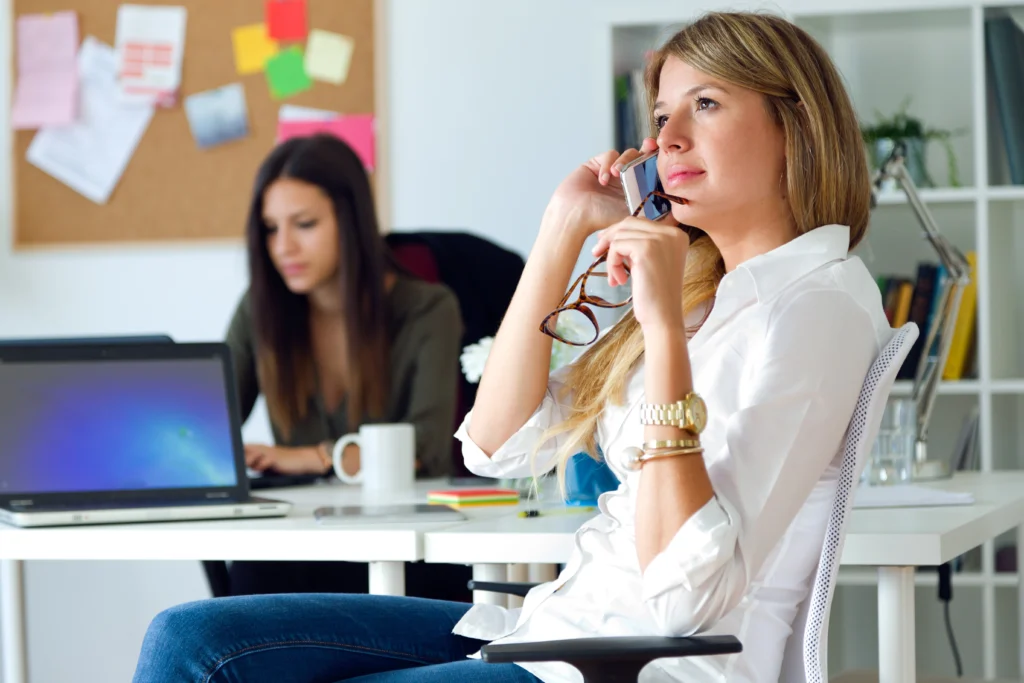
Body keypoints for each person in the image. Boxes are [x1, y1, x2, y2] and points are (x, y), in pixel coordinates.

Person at [133, 12, 892, 683]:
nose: (668, 141)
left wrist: (661, 333)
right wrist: (561, 230)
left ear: (793, 124)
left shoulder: (817, 303)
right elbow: (496, 444)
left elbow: (686, 591)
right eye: (661, 116)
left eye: (707, 104)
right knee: (193, 637)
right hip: (555, 631)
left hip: (641, 660)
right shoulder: (704, 289)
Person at [218, 133, 471, 600]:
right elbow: (208, 428)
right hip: (301, 542)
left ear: (351, 221)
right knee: (244, 589)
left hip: (403, 549)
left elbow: (426, 453)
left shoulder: (428, 309)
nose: (284, 247)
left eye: (304, 224)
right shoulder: (260, 310)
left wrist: (314, 456)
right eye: (271, 229)